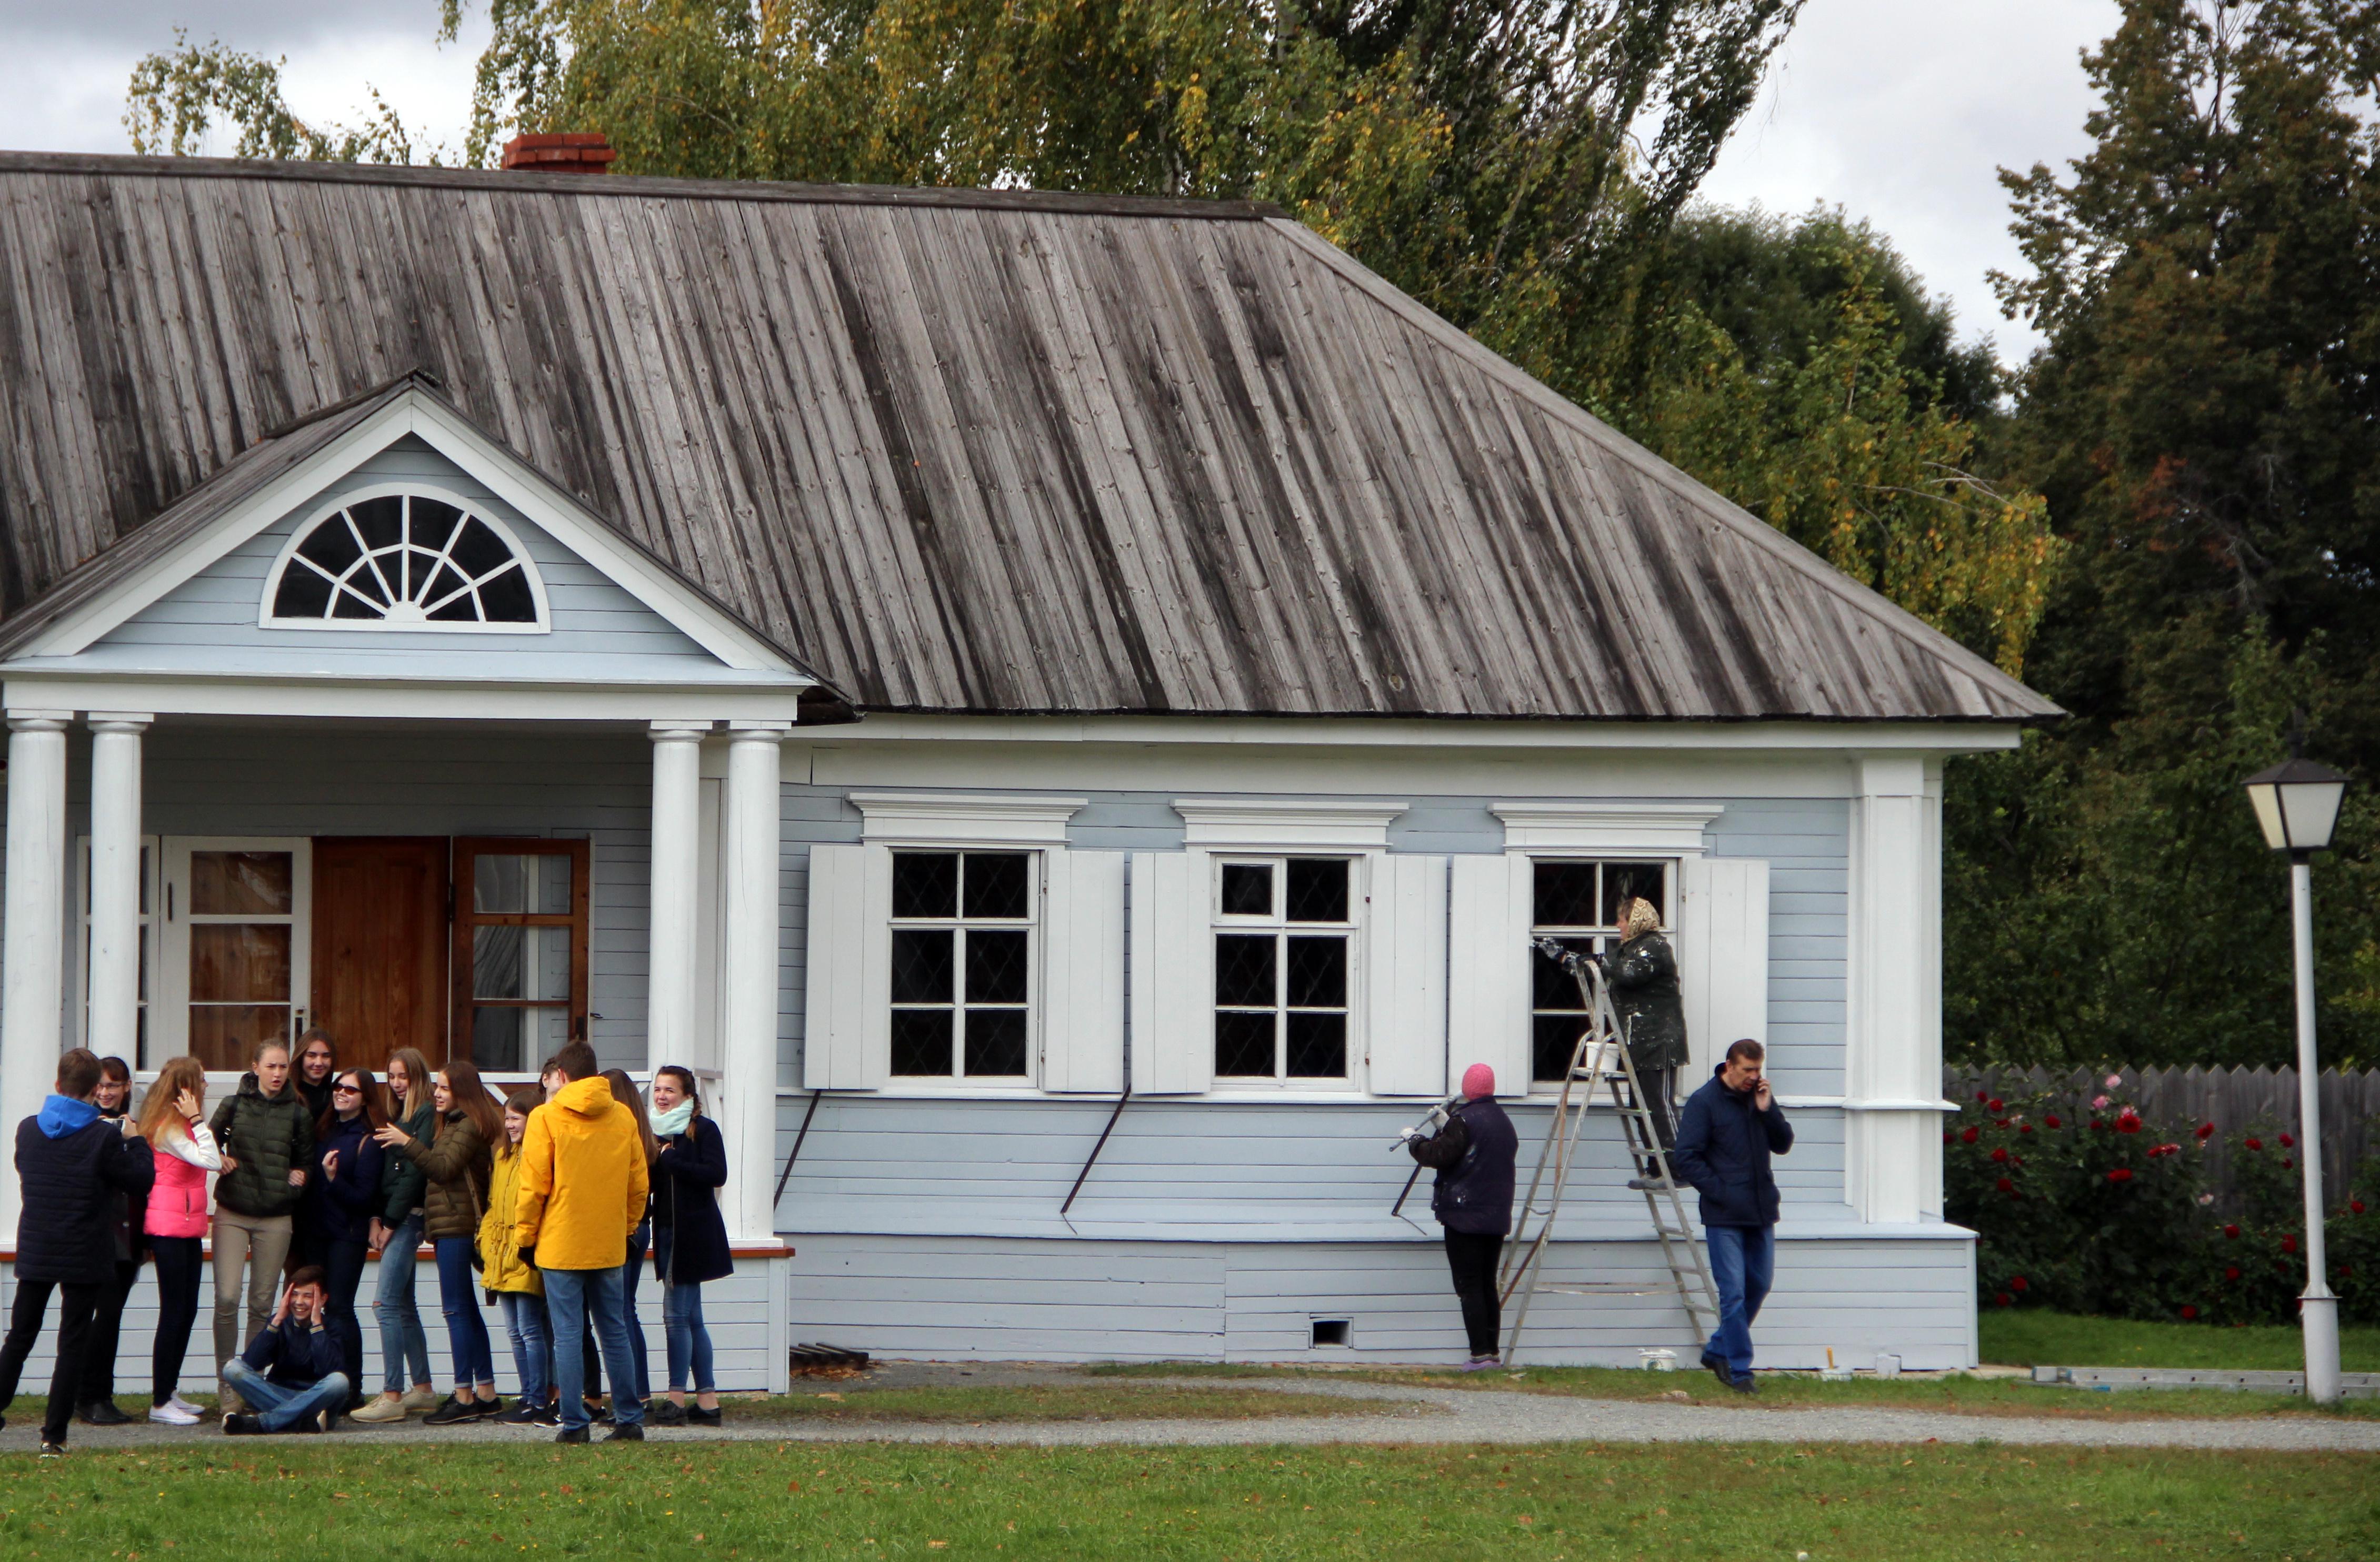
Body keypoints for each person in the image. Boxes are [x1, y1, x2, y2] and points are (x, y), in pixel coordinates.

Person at [0, 1048, 155, 1456]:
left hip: (36, 1244)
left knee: (20, 1336)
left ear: (57, 1085)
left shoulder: (27, 1129)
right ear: (92, 1091)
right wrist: (135, 1139)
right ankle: (54, 1435)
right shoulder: (103, 1137)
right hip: (85, 1250)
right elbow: (140, 1179)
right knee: (72, 1342)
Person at [515, 1040, 648, 1443]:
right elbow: (638, 1184)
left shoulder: (546, 1117)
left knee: (568, 1333)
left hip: (560, 1242)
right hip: (608, 1242)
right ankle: (629, 1418)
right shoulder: (623, 1116)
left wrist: (525, 1236)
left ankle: (574, 1424)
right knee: (614, 1329)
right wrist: (625, 1228)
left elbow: (534, 1185)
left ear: (564, 1076)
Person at [376, 1059, 503, 1423]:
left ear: (462, 1091)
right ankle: (486, 1392)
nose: (437, 1093)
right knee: (465, 1309)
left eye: (445, 1088)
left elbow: (443, 1168)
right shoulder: (456, 1124)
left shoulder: (468, 1125)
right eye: (437, 1086)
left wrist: (408, 1142)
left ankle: (464, 1395)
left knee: (455, 1310)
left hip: (458, 1226)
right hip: (450, 1224)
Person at [1669, 1038, 1794, 1395]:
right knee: (1734, 1293)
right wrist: (1722, 1193)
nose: (1754, 1077)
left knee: (1760, 1284)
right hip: (1724, 1215)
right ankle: (1740, 1370)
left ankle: (1716, 1350)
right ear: (1729, 1066)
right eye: (1747, 1070)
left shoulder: (1760, 1098)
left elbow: (1783, 1143)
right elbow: (1687, 1157)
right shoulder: (1704, 1102)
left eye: (1758, 1070)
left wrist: (1767, 1108)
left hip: (1761, 1211)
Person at [207, 1038, 312, 1415]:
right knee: (227, 1297)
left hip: (276, 1217)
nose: (278, 1073)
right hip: (233, 1211)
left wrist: (299, 1178)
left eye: (284, 1067)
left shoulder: (298, 1113)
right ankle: (225, 1382)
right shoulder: (233, 1105)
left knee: (262, 1303)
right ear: (255, 1067)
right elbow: (205, 1144)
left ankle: (248, 1382)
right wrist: (219, 1157)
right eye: (271, 1066)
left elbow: (307, 1163)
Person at [1404, 1062, 1517, 1370]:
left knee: (1469, 1286)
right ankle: (1492, 1354)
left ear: (1468, 1089)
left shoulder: (1464, 1120)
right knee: (1486, 1284)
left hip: (1464, 1217)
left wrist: (1414, 1140)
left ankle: (1479, 1356)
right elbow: (1469, 1149)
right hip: (1495, 1217)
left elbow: (1440, 1155)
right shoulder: (1503, 1120)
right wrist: (1446, 1125)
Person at [352, 1047, 437, 1423]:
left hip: (408, 1218)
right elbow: (386, 1175)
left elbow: (414, 1175)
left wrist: (388, 1221)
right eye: (393, 1076)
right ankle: (422, 1389)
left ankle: (391, 1394)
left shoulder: (426, 1116)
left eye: (404, 1076)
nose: (398, 1083)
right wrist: (375, 1217)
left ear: (418, 1077)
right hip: (391, 1217)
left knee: (384, 1304)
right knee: (403, 1306)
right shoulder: (398, 1116)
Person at [138, 1056, 220, 1425]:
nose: (205, 1087)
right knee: (173, 1311)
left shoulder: (181, 1128)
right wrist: (199, 1120)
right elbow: (210, 1160)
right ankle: (159, 1402)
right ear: (185, 1088)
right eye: (200, 1081)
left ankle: (169, 1390)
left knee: (187, 1310)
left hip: (188, 1227)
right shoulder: (169, 1128)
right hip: (167, 1228)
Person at [647, 1066, 729, 1427]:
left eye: (670, 1090)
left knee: (675, 1317)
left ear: (688, 1095)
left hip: (692, 1235)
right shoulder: (657, 1133)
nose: (662, 1096)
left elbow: (716, 1174)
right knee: (693, 1318)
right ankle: (708, 1403)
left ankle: (675, 1398)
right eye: (658, 1089)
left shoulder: (703, 1129)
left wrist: (673, 1160)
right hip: (665, 1230)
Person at [298, 1067, 385, 1407]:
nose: (341, 1094)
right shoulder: (324, 1130)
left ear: (365, 1099)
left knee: (341, 1309)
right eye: (339, 1088)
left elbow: (366, 1197)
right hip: (315, 1231)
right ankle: (320, 1381)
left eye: (351, 1090)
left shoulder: (369, 1139)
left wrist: (334, 1179)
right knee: (313, 1307)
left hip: (347, 1235)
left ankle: (352, 1386)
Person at [1594, 896, 1687, 1183]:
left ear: (1635, 920)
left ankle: (1679, 1166)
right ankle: (1658, 1166)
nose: (1618, 925)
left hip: (1659, 1041)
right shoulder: (1631, 949)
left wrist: (1600, 962)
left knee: (1659, 1103)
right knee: (1642, 1105)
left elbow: (1629, 975)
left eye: (1621, 919)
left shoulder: (1654, 947)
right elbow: (1616, 971)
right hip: (1639, 1043)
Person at [482, 1089, 555, 1425]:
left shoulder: (538, 1156)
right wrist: (485, 1241)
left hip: (525, 1251)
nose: (510, 1124)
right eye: (507, 1118)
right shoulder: (502, 1157)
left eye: (517, 1118)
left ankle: (538, 1399)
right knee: (513, 1330)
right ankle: (527, 1394)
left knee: (530, 1329)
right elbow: (494, 1205)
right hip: (499, 1252)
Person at [75, 1055, 141, 1426]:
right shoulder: (85, 1125)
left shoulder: (133, 1126)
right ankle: (90, 1396)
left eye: (113, 1085)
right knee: (101, 1318)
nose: (105, 1091)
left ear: (127, 1086)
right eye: (100, 1084)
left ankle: (102, 1394)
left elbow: (143, 1184)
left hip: (130, 1236)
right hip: (98, 1238)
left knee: (111, 1320)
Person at [220, 1266, 351, 1436]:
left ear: (323, 1299)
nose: (299, 1302)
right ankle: (303, 1422)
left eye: (307, 1296)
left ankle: (263, 1423)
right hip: (280, 1396)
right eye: (294, 1294)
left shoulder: (334, 1327)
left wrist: (317, 1326)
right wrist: (276, 1322)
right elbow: (252, 1363)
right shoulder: (280, 1322)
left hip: (319, 1401)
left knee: (339, 1381)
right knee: (232, 1368)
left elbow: (329, 1370)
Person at [603, 1068, 657, 1411]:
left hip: (625, 1227)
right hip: (641, 1226)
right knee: (627, 1311)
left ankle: (634, 1397)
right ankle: (641, 1394)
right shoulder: (645, 1134)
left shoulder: (619, 1134)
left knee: (619, 1313)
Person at [292, 1029, 338, 1129]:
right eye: (312, 1056)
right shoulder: (286, 1094)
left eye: (326, 1056)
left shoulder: (337, 1097)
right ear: (301, 1057)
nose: (319, 1063)